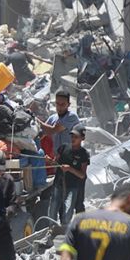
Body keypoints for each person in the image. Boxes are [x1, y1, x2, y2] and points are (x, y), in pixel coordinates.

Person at [39, 91, 80, 222]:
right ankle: (60, 225)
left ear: (68, 104)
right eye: (57, 104)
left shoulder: (71, 117)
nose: (59, 107)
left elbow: (51, 130)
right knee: (58, 196)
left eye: (63, 104)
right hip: (59, 162)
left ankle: (66, 225)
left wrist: (35, 119)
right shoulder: (52, 118)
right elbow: (42, 135)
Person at [56, 125, 90, 225]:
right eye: (72, 136)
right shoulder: (64, 148)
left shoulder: (84, 154)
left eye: (76, 137)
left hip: (77, 184)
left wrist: (70, 169)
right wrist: (49, 161)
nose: (73, 139)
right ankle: (64, 226)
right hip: (65, 183)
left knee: (78, 206)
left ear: (82, 138)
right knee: (63, 206)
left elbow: (82, 175)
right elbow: (56, 162)